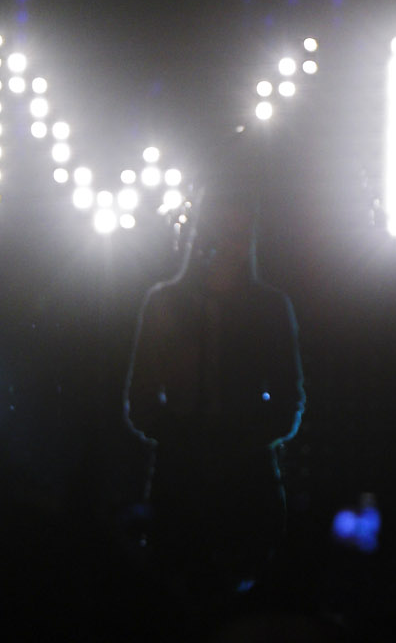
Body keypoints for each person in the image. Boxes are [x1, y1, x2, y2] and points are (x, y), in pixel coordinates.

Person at [124, 164, 304, 603]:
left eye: (237, 235)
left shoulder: (266, 308)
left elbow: (288, 402)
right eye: (223, 234)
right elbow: (140, 399)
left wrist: (210, 440)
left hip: (228, 480)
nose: (229, 245)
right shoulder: (169, 303)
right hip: (203, 479)